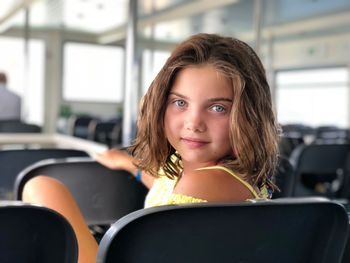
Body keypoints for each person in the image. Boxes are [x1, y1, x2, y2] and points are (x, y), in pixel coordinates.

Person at [22, 33, 279, 263]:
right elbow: (167, 182)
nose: (194, 123)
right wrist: (129, 163)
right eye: (180, 103)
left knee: (42, 186)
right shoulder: (216, 177)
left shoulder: (196, 185)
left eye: (217, 108)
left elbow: (179, 189)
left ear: (248, 115)